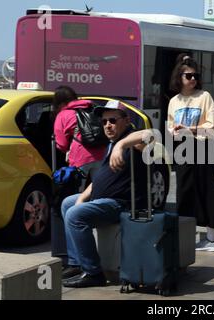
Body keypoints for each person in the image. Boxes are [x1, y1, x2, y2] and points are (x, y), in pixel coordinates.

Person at [61, 101, 153, 288]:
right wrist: (81, 198)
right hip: (103, 199)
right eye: (104, 122)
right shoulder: (111, 145)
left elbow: (149, 135)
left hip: (121, 204)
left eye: (112, 120)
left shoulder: (131, 142)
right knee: (68, 204)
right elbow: (98, 180)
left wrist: (121, 145)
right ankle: (76, 262)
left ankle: (93, 272)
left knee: (75, 215)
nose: (107, 125)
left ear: (126, 120)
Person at [166, 53, 214, 252]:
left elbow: (213, 126)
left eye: (195, 75)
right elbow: (171, 125)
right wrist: (175, 131)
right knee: (185, 192)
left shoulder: (204, 97)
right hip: (183, 148)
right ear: (179, 78)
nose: (193, 79)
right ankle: (186, 236)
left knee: (207, 189)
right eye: (188, 76)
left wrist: (190, 129)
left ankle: (212, 237)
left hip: (203, 146)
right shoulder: (174, 101)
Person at [52, 85, 107, 185]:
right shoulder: (92, 108)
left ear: (59, 102)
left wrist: (66, 151)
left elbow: (62, 143)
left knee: (77, 193)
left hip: (80, 157)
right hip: (101, 154)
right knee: (99, 190)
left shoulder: (63, 114)